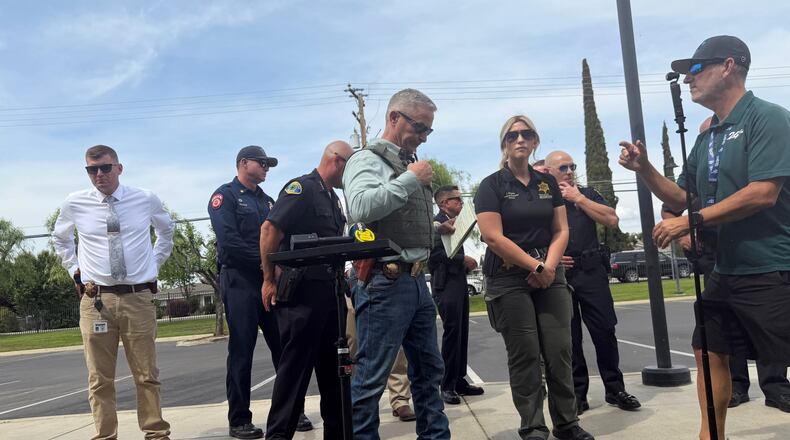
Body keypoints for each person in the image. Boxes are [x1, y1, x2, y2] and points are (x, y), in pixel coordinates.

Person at [618, 35, 790, 439]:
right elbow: (682, 197)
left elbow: (764, 192)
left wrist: (690, 220)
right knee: (708, 348)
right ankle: (709, 435)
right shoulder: (707, 136)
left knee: (780, 357)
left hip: (771, 266)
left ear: (728, 66)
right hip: (724, 269)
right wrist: (645, 170)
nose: (687, 79)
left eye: (695, 69)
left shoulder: (767, 117)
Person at [475, 116, 594, 440]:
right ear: (504, 143)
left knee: (559, 350)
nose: (520, 139)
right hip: (508, 276)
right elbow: (492, 237)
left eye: (527, 133)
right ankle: (533, 426)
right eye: (513, 134)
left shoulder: (548, 184)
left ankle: (567, 423)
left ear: (535, 141)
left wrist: (549, 268)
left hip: (550, 273)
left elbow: (561, 229)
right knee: (525, 354)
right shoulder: (492, 185)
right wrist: (535, 267)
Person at [661, 117, 790, 413]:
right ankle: (736, 387)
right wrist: (684, 231)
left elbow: (764, 194)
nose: (713, 142)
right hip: (716, 254)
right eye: (707, 137)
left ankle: (776, 385)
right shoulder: (701, 161)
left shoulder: (757, 141)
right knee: (715, 335)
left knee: (771, 333)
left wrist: (692, 220)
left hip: (763, 252)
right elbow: (674, 205)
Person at [342, 88, 450, 440]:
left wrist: (434, 226)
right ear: (393, 118)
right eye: (419, 127)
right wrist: (411, 179)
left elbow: (401, 221)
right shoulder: (367, 160)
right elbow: (360, 207)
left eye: (427, 131)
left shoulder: (407, 163)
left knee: (429, 372)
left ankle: (436, 436)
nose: (422, 137)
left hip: (417, 283)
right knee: (371, 377)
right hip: (384, 283)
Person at [53, 144, 174, 440]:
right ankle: (105, 435)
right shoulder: (75, 203)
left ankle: (156, 433)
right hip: (96, 300)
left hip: (138, 297)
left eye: (105, 168)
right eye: (92, 170)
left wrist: (153, 264)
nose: (99, 175)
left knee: (146, 374)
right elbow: (61, 239)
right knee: (99, 378)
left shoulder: (144, 199)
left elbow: (166, 231)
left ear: (119, 168)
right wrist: (75, 271)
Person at [208, 146, 311, 439]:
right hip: (241, 281)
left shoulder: (268, 201)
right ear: (243, 163)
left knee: (285, 348)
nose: (267, 168)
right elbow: (229, 243)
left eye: (268, 164)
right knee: (242, 350)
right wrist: (268, 263)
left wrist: (279, 267)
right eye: (262, 163)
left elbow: (281, 239)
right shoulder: (224, 196)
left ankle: (292, 411)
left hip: (272, 281)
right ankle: (239, 419)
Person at [259, 141, 353, 439]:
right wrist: (268, 278)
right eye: (350, 169)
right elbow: (269, 230)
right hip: (302, 296)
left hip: (330, 293)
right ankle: (278, 435)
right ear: (337, 161)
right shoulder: (302, 189)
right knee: (294, 374)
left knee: (334, 374)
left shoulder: (333, 199)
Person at [544, 151, 641, 415]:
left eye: (572, 166)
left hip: (591, 271)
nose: (569, 170)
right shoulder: (544, 198)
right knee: (569, 337)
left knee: (604, 331)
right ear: (549, 170)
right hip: (562, 275)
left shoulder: (586, 193)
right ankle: (577, 394)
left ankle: (615, 388)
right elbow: (532, 233)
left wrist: (579, 198)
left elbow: (611, 218)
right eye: (563, 166)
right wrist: (548, 258)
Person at [428, 185, 484, 404]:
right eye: (457, 200)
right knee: (452, 333)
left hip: (458, 281)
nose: (461, 203)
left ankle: (459, 380)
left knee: (462, 332)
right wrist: (463, 260)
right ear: (444, 203)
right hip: (445, 283)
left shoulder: (456, 223)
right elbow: (434, 255)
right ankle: (447, 385)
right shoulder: (435, 224)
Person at [345, 300, 418, 422]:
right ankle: (350, 398)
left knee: (395, 342)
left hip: (387, 286)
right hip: (351, 286)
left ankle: (400, 398)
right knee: (353, 342)